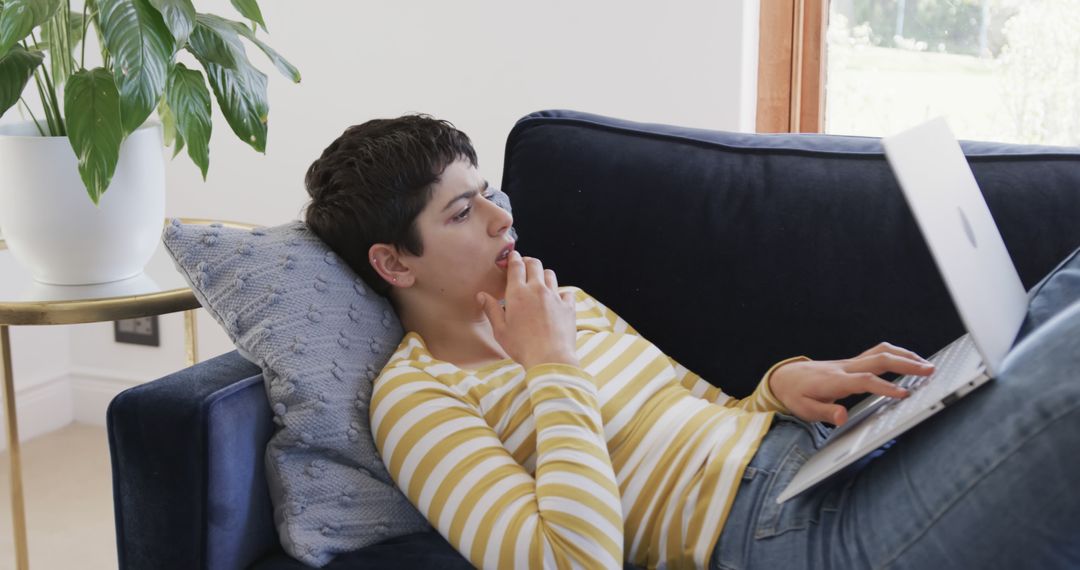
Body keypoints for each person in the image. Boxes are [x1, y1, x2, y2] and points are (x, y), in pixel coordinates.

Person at [303, 115, 1080, 569]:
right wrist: (550, 366)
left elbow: (708, 410)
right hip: (785, 540)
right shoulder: (416, 399)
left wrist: (783, 387)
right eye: (462, 213)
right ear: (392, 261)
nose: (504, 219)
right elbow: (570, 562)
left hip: (815, 458)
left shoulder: (561, 303)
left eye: (488, 195)